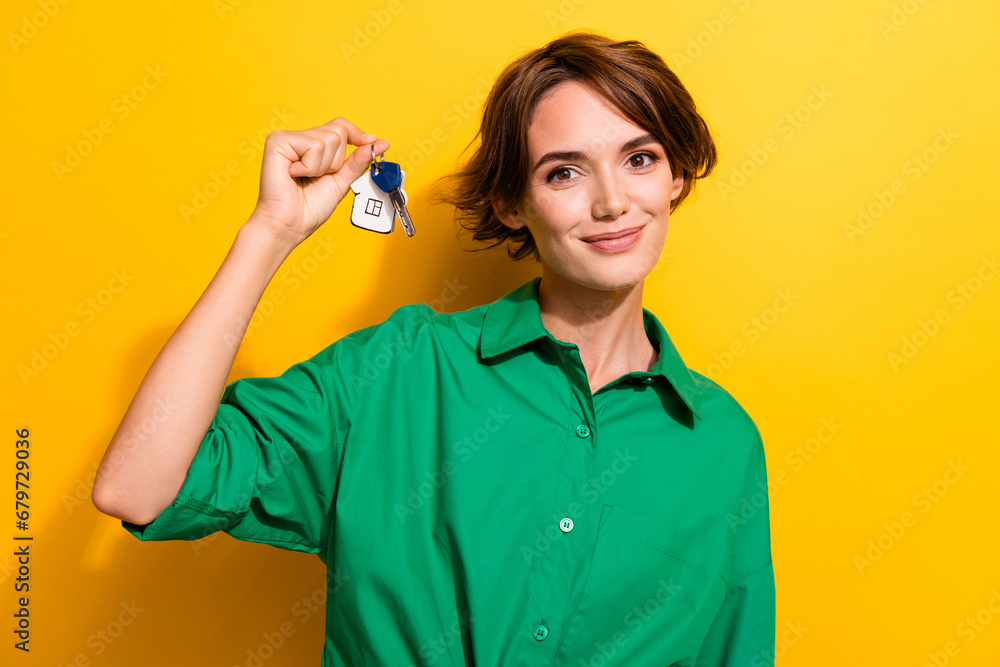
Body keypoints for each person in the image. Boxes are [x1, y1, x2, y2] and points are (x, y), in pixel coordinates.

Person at [93, 30, 775, 666]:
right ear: (514, 202)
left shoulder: (723, 442)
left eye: (640, 159)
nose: (612, 202)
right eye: (564, 173)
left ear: (676, 176)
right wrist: (270, 232)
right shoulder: (397, 370)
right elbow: (137, 486)